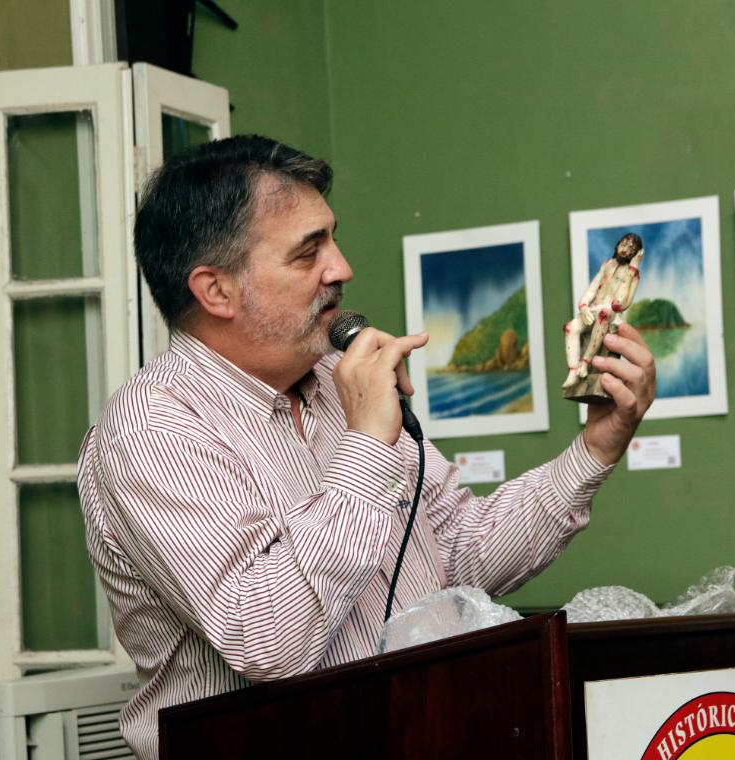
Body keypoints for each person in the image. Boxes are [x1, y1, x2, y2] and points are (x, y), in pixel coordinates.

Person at [76, 135, 656, 759]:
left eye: (332, 239)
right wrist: (369, 447)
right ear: (216, 291)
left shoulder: (337, 381)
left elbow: (458, 556)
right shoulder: (152, 429)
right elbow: (269, 638)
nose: (341, 268)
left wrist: (595, 448)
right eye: (308, 253)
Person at [563, 232, 644, 391]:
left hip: (610, 313)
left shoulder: (633, 275)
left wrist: (632, 269)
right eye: (624, 244)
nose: (625, 250)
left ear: (636, 254)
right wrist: (584, 305)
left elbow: (620, 303)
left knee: (604, 315)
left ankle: (585, 363)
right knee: (570, 327)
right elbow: (593, 287)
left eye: (631, 249)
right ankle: (573, 371)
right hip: (593, 308)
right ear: (618, 244)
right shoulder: (607, 264)